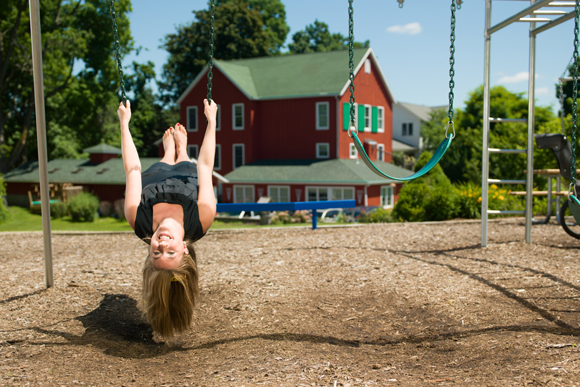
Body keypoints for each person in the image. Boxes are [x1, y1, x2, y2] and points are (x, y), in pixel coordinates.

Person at [116, 99, 218, 337]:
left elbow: (132, 170)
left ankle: (168, 151)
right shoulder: (203, 216)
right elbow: (205, 166)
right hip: (188, 176)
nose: (161, 244)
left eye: (155, 252)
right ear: (183, 248)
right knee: (186, 161)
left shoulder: (138, 220)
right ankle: (181, 149)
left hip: (155, 177)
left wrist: (124, 124)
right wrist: (211, 121)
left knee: (163, 164)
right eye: (169, 252)